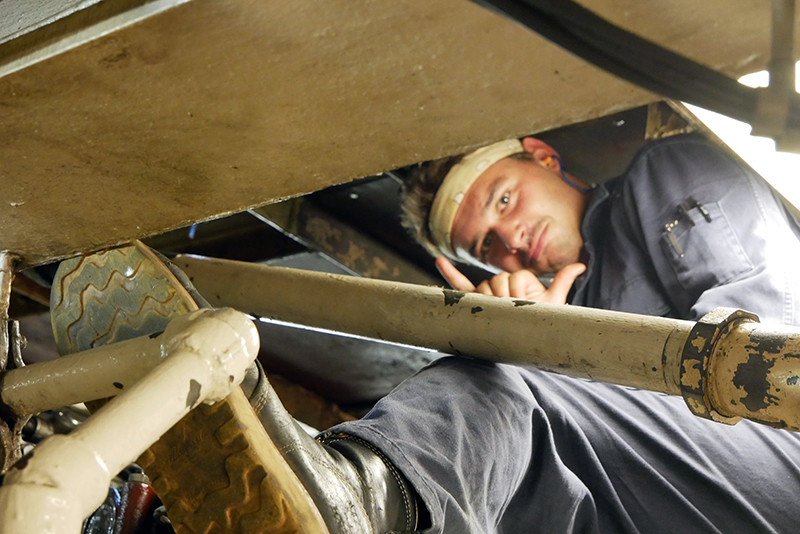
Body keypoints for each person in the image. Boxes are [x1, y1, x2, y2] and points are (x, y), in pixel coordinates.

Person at [50, 133, 800, 534]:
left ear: (543, 156)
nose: (510, 240)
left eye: (504, 198)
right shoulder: (562, 359)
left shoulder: (659, 181)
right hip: (668, 509)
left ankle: (359, 505)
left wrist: (542, 346)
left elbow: (767, 347)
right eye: (486, 245)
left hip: (776, 459)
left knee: (495, 373)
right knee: (494, 469)